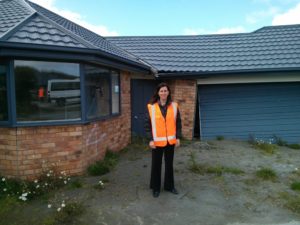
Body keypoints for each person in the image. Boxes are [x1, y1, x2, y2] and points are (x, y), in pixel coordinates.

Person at [145, 82, 182, 198]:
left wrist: (178, 137)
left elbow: (178, 123)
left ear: (168, 92)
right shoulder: (151, 107)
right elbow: (147, 125)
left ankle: (169, 186)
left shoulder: (175, 106)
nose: (163, 93)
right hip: (157, 142)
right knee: (156, 165)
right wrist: (150, 139)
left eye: (165, 90)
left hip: (170, 141)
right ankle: (155, 188)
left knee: (169, 165)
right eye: (161, 91)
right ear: (158, 93)